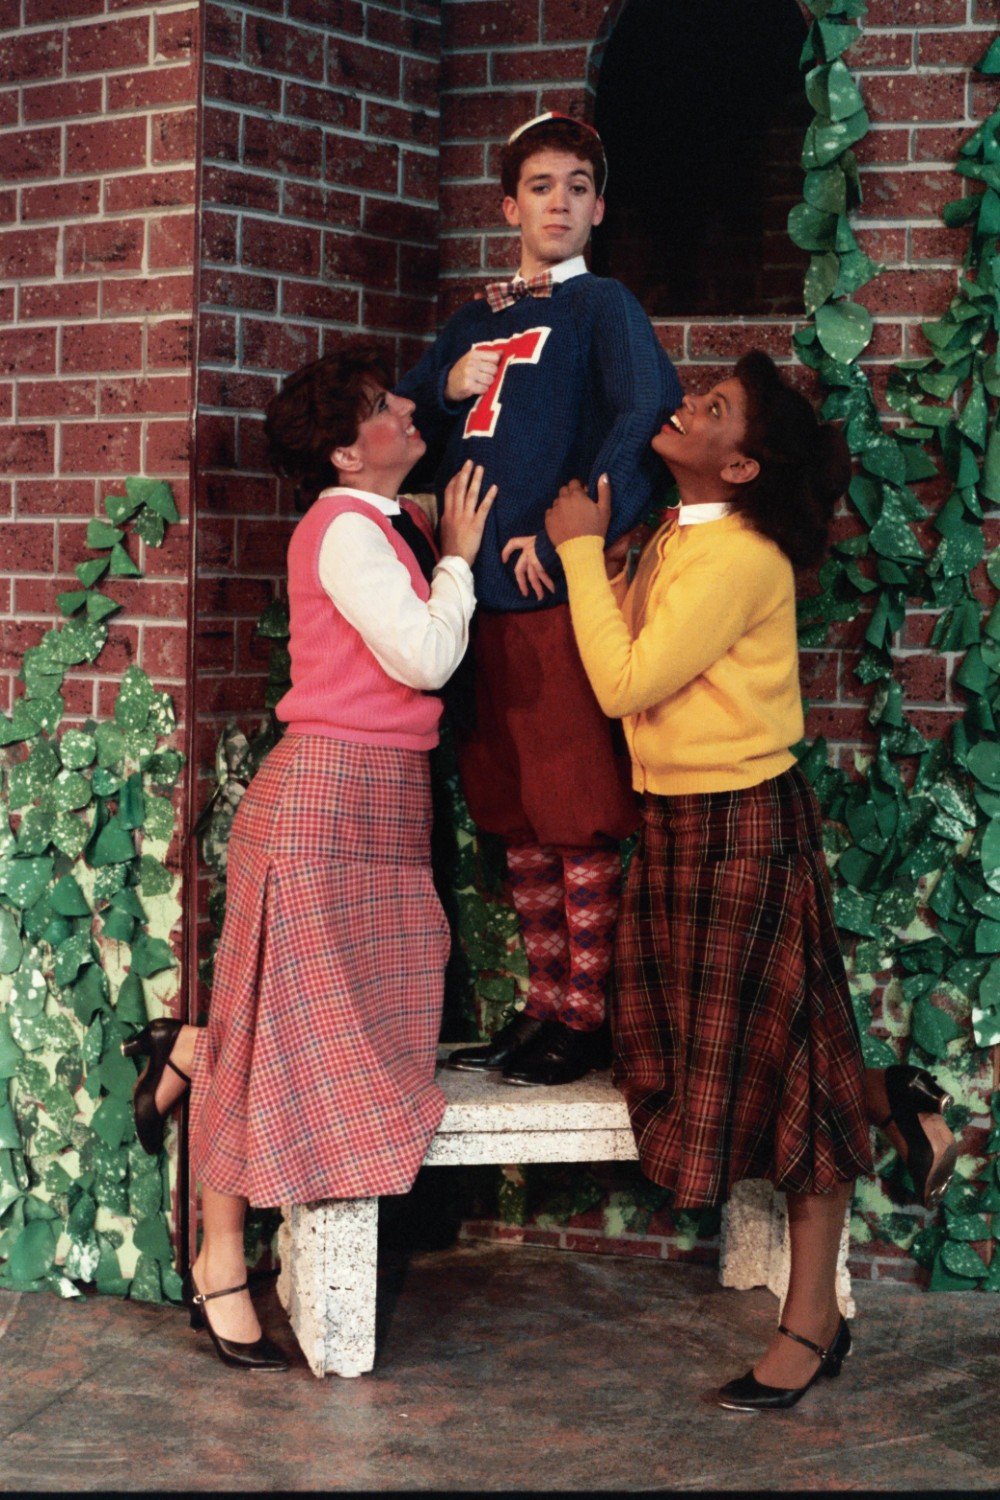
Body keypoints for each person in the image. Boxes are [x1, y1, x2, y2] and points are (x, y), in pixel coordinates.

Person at [544, 349, 958, 1412]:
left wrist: (580, 552)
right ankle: (889, 1099)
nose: (686, 404)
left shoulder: (738, 560)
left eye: (714, 407)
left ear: (739, 466)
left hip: (741, 827)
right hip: (677, 828)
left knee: (791, 1086)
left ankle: (810, 1324)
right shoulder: (679, 536)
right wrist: (609, 561)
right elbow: (636, 657)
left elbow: (623, 681)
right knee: (694, 1062)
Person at [123, 343, 494, 1372]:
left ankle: (188, 1051)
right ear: (342, 452)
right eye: (380, 407)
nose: (405, 409)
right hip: (325, 802)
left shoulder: (388, 517)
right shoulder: (344, 529)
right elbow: (425, 655)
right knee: (267, 1045)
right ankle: (220, 1263)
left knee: (297, 1033)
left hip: (382, 803)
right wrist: (462, 558)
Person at [398, 112, 682, 1086]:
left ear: (599, 208)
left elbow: (644, 414)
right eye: (539, 186)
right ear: (507, 207)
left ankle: (588, 1011)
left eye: (576, 187)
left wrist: (575, 532)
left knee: (574, 806)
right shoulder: (476, 318)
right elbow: (399, 423)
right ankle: (542, 1002)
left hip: (544, 590)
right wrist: (447, 385)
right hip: (471, 597)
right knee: (513, 810)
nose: (558, 203)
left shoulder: (602, 306)